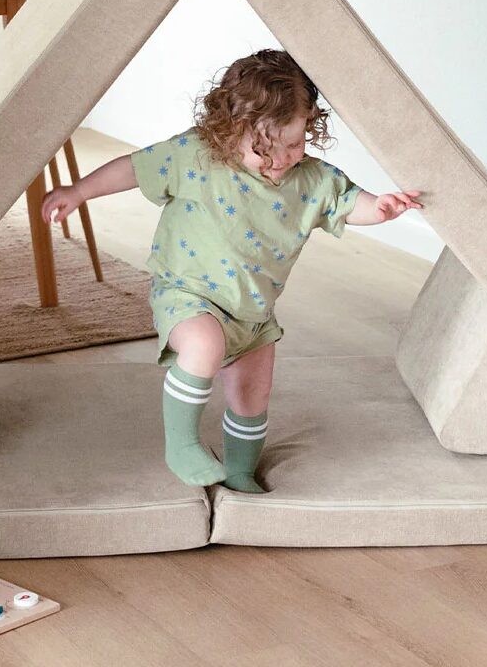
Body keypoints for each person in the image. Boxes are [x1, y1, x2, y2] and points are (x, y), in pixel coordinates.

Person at [41, 49, 422, 493]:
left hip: (253, 312)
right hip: (188, 293)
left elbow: (348, 203)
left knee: (252, 395)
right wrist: (79, 190)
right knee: (202, 344)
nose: (281, 158)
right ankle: (181, 445)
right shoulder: (196, 155)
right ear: (230, 129)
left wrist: (382, 208)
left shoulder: (312, 179)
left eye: (295, 142)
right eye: (264, 147)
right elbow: (134, 167)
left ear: (309, 125)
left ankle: (240, 471)